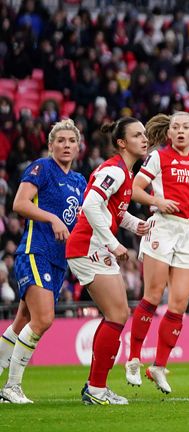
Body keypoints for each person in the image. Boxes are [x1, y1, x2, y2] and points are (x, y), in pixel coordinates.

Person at [125, 112, 189, 394]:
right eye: (175, 127)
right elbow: (133, 188)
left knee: (178, 305)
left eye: (185, 127)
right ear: (169, 134)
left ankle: (159, 366)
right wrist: (157, 201)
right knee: (153, 295)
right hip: (162, 227)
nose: (180, 131)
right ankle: (133, 359)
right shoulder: (158, 157)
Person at [0, 120, 87, 404]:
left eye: (70, 141)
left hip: (59, 260)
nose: (65, 145)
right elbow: (20, 203)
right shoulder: (41, 167)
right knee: (44, 319)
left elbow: (84, 220)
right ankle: (12, 387)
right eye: (60, 140)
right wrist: (53, 218)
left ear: (78, 146)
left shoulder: (79, 181)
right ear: (51, 145)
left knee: (22, 320)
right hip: (35, 249)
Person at [65, 117, 149, 405]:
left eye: (145, 134)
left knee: (117, 314)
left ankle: (96, 386)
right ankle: (97, 389)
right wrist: (113, 243)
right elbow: (89, 204)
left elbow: (112, 210)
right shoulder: (115, 170)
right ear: (122, 143)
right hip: (89, 247)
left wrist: (136, 225)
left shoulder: (123, 172)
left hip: (94, 247)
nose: (144, 138)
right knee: (117, 314)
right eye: (137, 135)